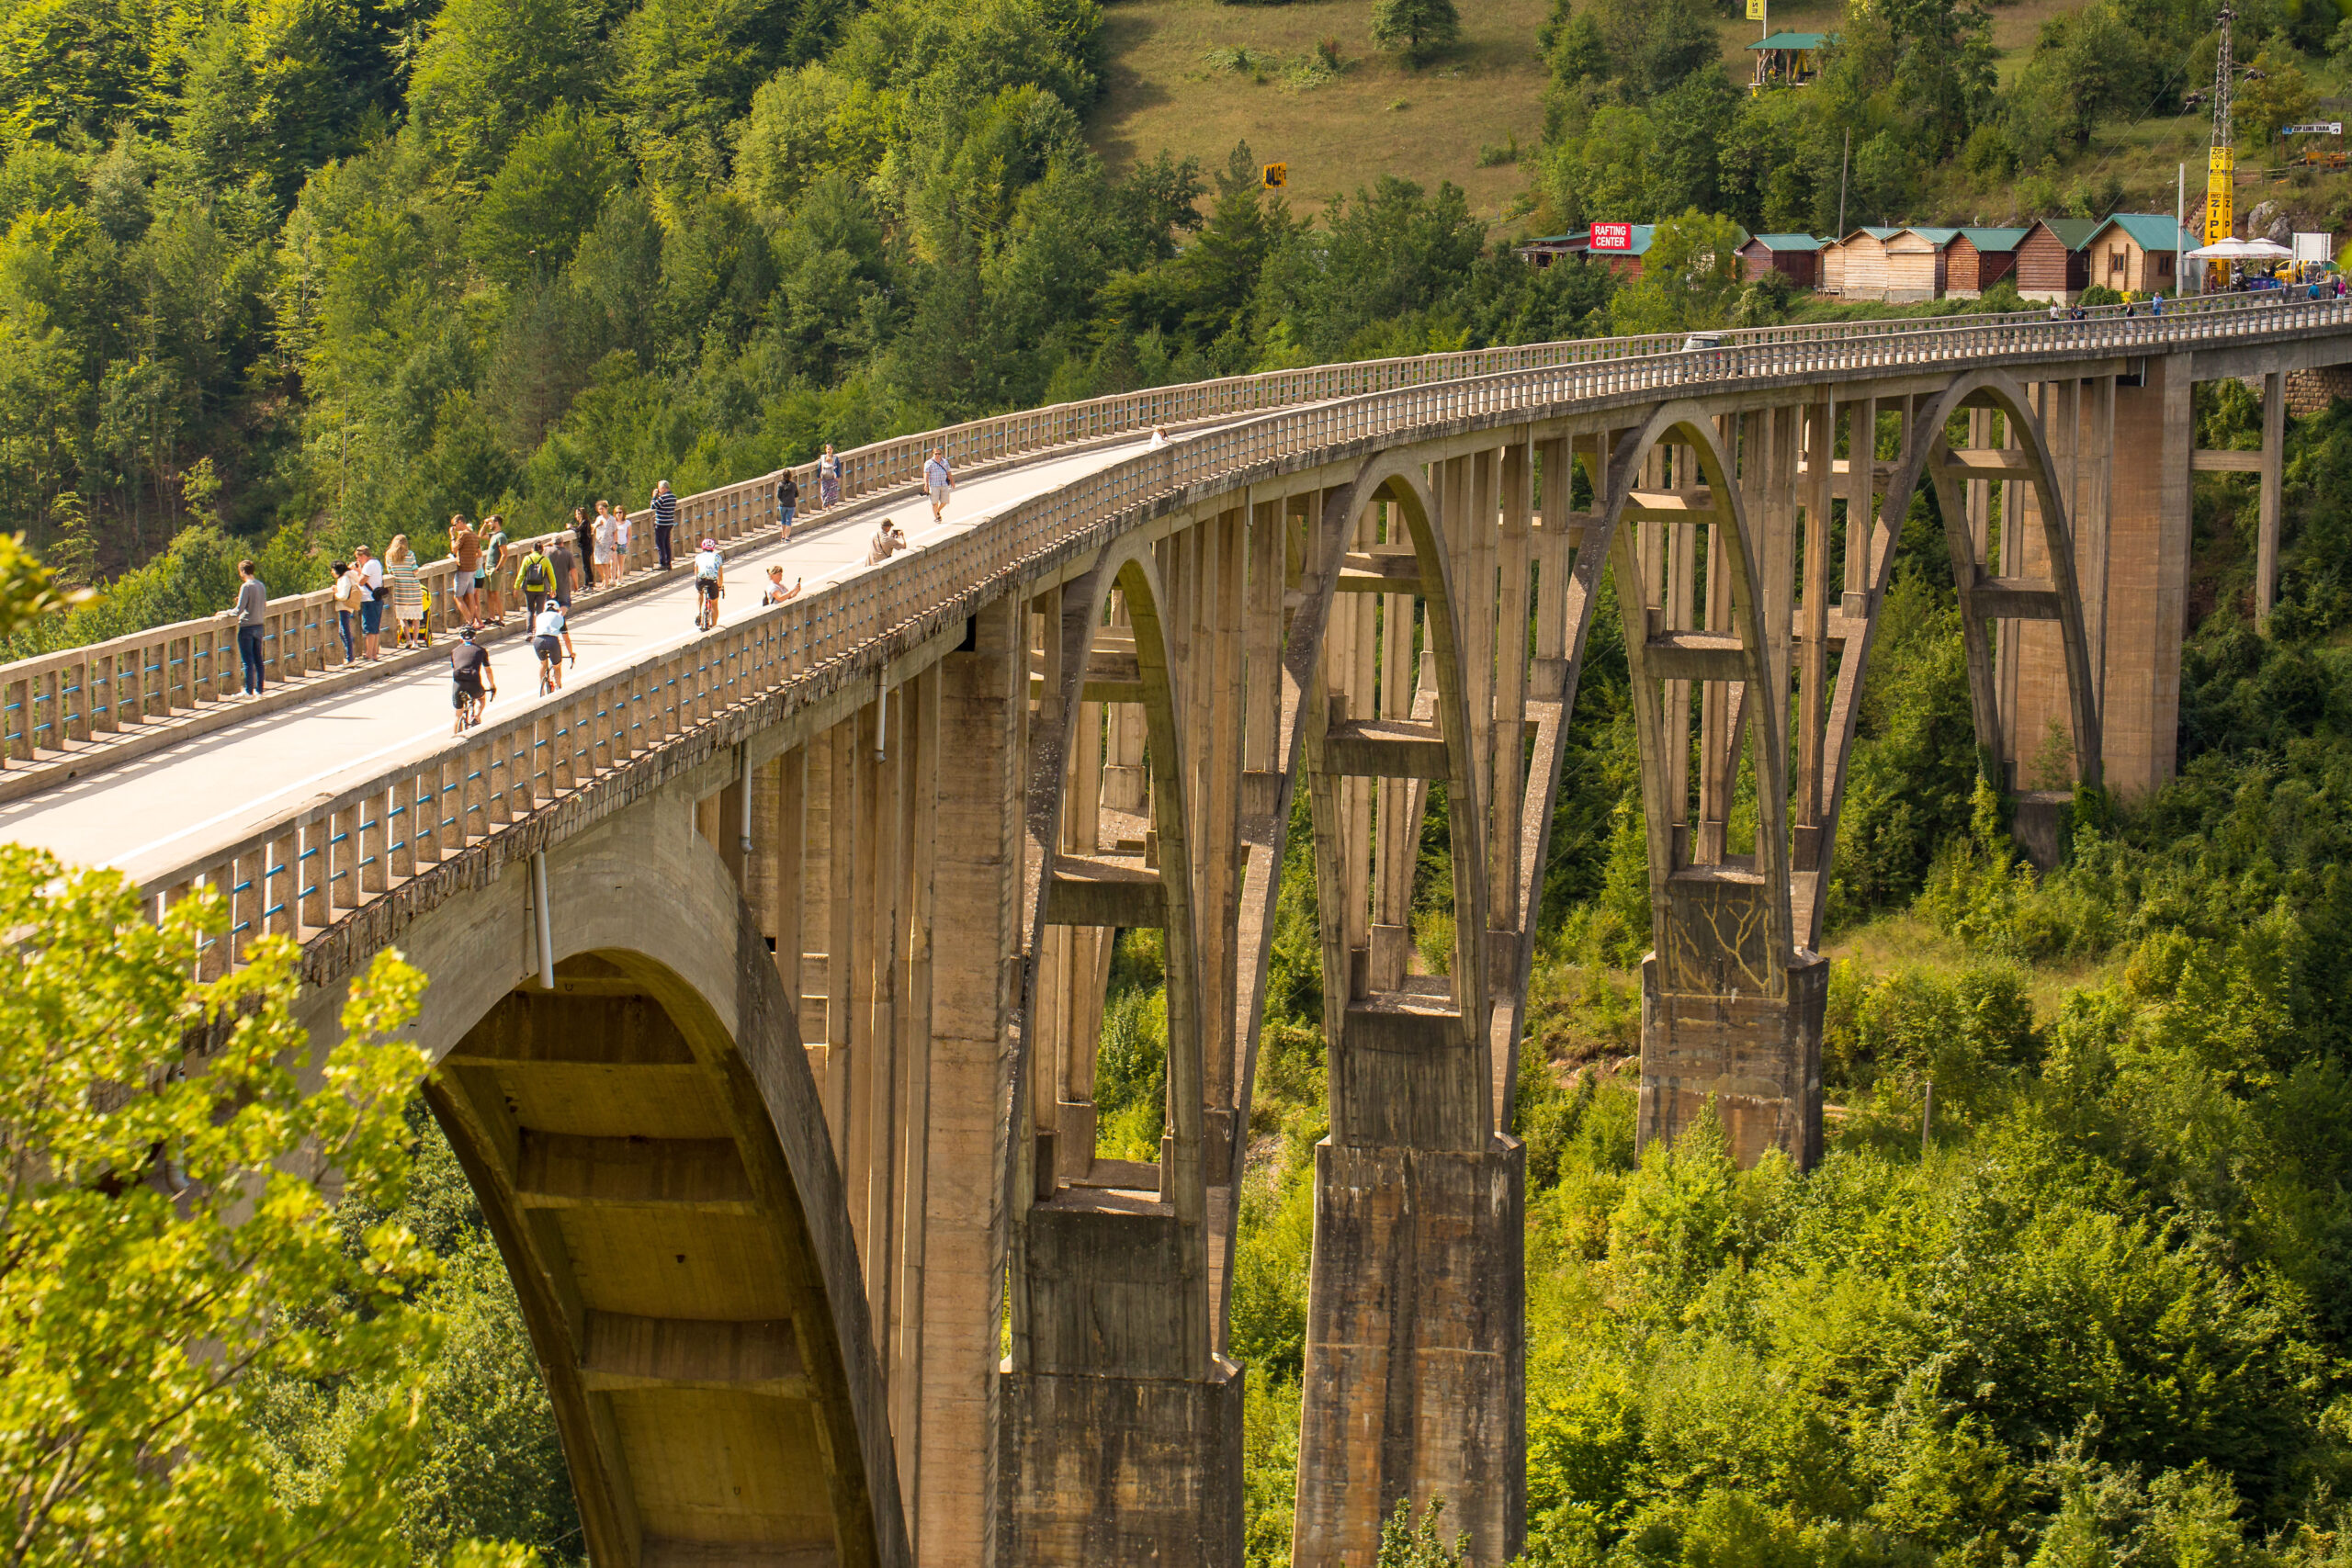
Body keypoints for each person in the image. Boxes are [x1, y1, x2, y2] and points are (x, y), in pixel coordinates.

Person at [227, 558, 266, 696]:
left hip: (247, 627)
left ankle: (249, 691)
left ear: (243, 571)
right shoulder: (261, 585)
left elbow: (238, 610)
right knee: (258, 660)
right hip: (259, 626)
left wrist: (226, 612)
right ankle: (259, 690)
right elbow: (263, 606)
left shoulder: (246, 587)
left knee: (248, 661)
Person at [449, 625, 494, 734]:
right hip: (474, 682)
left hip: (458, 682)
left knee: (458, 715)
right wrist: (492, 686)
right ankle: (477, 716)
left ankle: (455, 737)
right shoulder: (481, 650)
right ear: (474, 638)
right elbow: (488, 671)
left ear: (460, 639)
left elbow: (454, 667)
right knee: (482, 699)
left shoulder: (454, 651)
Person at [387, 534, 425, 649]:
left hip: (400, 589)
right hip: (412, 588)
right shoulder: (410, 554)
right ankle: (415, 642)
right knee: (416, 617)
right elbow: (414, 570)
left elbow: (390, 571)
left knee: (402, 617)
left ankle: (408, 640)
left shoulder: (389, 555)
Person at [447, 513, 481, 630]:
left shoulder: (463, 535)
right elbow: (479, 554)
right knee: (470, 596)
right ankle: (471, 622)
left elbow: (454, 549)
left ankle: (469, 621)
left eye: (455, 524)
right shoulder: (474, 535)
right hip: (472, 570)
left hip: (463, 570)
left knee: (458, 597)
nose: (454, 527)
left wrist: (452, 536)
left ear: (460, 522)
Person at [532, 599, 572, 693]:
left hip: (538, 641)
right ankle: (558, 688)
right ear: (557, 610)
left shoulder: (539, 616)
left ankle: (542, 690)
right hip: (552, 641)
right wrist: (571, 653)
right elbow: (566, 639)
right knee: (557, 666)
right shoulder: (560, 617)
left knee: (543, 664)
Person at [514, 536, 556, 619]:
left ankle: (529, 627)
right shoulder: (545, 560)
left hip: (529, 588)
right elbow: (551, 575)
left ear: (532, 549)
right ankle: (539, 626)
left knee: (530, 610)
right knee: (540, 611)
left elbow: (521, 574)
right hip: (542, 588)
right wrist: (553, 588)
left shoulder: (527, 559)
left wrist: (516, 587)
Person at [354, 544, 384, 660]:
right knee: (375, 627)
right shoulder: (377, 562)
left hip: (369, 599)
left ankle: (369, 654)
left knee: (369, 628)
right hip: (376, 598)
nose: (358, 560)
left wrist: (357, 571)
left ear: (363, 556)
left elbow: (361, 581)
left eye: (359, 558)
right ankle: (374, 653)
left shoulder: (368, 565)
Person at [480, 514, 509, 626]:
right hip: (488, 567)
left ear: (497, 522)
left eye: (491, 522)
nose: (490, 524)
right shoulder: (493, 535)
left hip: (494, 569)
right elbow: (481, 535)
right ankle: (491, 617)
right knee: (489, 593)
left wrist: (498, 568)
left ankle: (500, 618)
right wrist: (485, 524)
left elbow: (504, 554)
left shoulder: (501, 536)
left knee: (495, 594)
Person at [693, 535, 726, 631]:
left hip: (701, 579)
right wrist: (719, 586)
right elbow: (720, 574)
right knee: (714, 603)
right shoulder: (717, 557)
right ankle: (714, 626)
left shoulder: (698, 557)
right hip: (712, 581)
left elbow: (696, 572)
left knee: (699, 592)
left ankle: (699, 612)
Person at [331, 559, 360, 663]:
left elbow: (343, 595)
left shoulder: (344, 579)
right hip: (346, 607)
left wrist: (335, 594)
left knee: (345, 632)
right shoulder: (348, 576)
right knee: (342, 632)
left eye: (333, 570)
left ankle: (350, 658)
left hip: (344, 606)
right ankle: (350, 657)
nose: (332, 572)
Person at [548, 531, 580, 613]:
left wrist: (548, 543)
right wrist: (576, 584)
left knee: (550, 604)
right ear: (562, 542)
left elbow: (535, 549)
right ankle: (560, 617)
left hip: (549, 585)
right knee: (564, 604)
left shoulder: (546, 551)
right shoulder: (567, 553)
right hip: (563, 585)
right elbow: (573, 571)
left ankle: (553, 618)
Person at [651, 479, 679, 569]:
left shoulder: (663, 498)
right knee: (667, 543)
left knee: (660, 544)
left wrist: (654, 497)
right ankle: (668, 562)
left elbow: (653, 506)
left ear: (663, 488)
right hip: (669, 522)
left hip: (661, 523)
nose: (659, 491)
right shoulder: (673, 497)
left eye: (659, 489)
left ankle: (662, 563)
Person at [592, 502, 619, 587]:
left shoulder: (612, 519)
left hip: (608, 543)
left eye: (602, 509)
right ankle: (604, 578)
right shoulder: (598, 518)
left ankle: (606, 583)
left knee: (605, 563)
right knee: (597, 563)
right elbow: (593, 529)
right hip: (599, 543)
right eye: (599, 509)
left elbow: (615, 532)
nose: (601, 511)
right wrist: (597, 525)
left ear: (606, 509)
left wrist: (615, 543)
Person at [923, 446, 953, 522]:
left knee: (945, 501)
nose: (937, 455)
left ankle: (938, 511)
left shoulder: (945, 462)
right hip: (934, 485)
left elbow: (949, 472)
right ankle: (937, 517)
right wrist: (926, 485)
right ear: (933, 454)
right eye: (936, 454)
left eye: (939, 454)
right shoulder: (929, 463)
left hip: (944, 484)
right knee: (934, 502)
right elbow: (926, 474)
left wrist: (952, 481)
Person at [572, 506, 597, 590]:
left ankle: (591, 584)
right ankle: (586, 584)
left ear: (583, 514)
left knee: (587, 566)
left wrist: (570, 527)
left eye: (579, 514)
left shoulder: (585, 522)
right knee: (585, 566)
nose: (577, 516)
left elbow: (577, 529)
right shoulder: (584, 522)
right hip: (585, 547)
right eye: (576, 514)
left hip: (586, 547)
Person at [818, 444, 842, 509]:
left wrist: (838, 476)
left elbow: (839, 467)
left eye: (830, 449)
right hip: (824, 477)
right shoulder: (822, 457)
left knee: (831, 492)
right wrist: (818, 476)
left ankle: (828, 506)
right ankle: (826, 505)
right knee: (824, 492)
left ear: (832, 450)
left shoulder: (835, 458)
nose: (829, 450)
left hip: (833, 478)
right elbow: (819, 466)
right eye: (828, 449)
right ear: (825, 449)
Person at [776, 471, 799, 540]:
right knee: (789, 520)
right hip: (791, 505)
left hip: (782, 505)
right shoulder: (793, 484)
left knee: (783, 520)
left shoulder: (780, 484)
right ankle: (787, 537)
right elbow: (797, 494)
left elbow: (778, 495)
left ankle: (783, 536)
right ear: (790, 476)